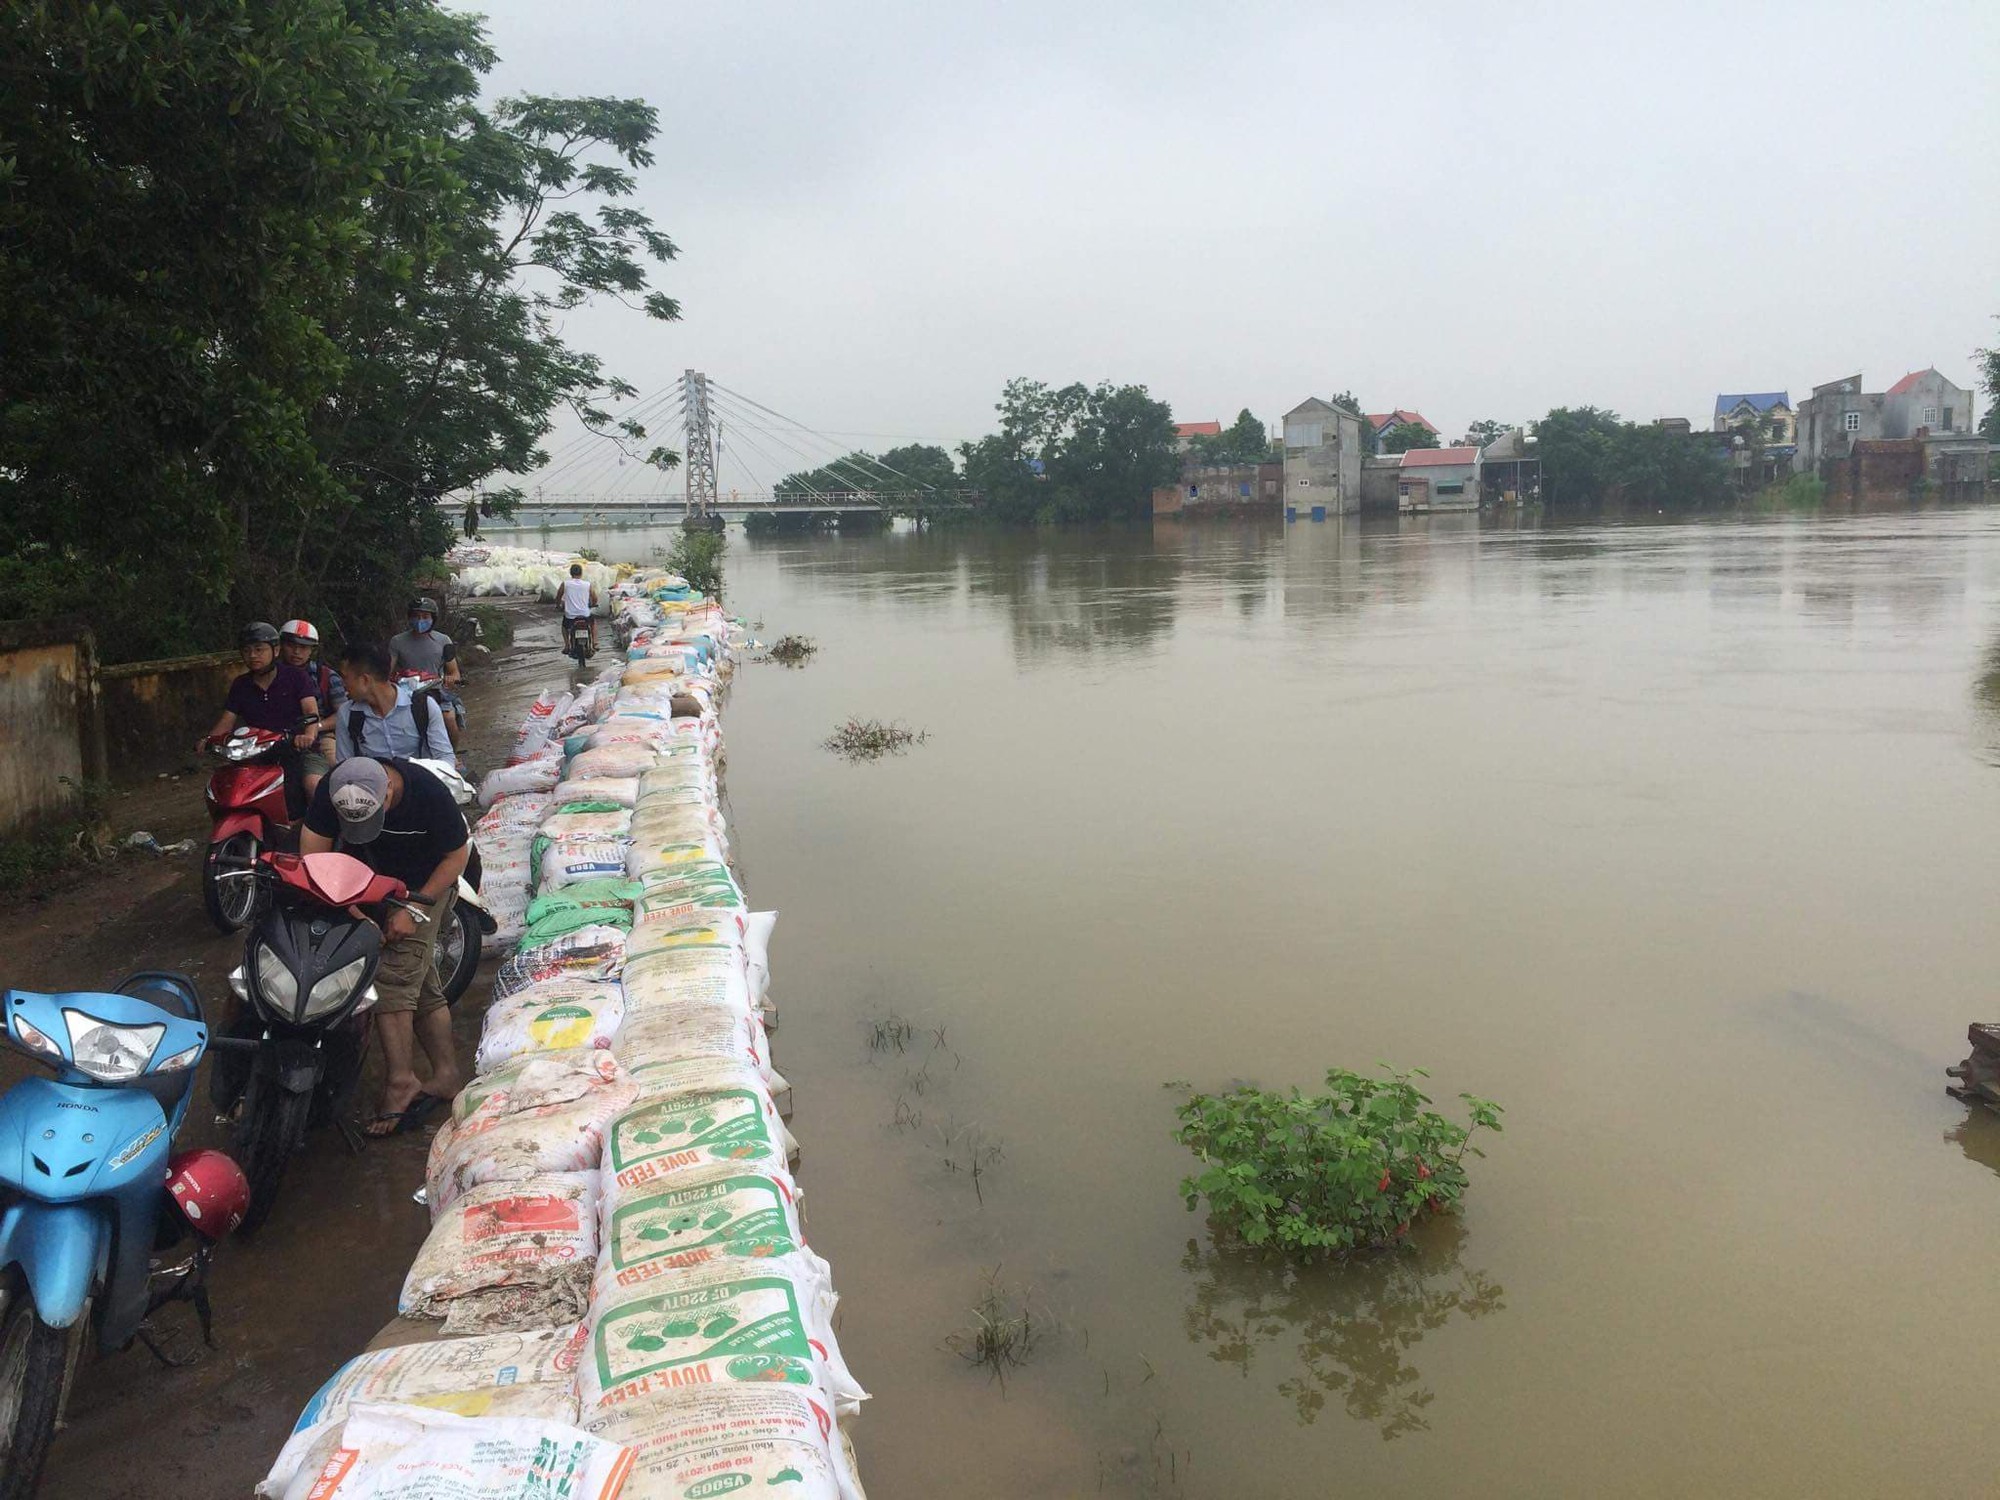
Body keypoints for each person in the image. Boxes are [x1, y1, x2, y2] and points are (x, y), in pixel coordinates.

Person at [302, 757, 467, 1135]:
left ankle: (401, 1081)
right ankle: (446, 1075)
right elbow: (314, 857)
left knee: (392, 977)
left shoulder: (426, 792)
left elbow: (457, 856)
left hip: (423, 886)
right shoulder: (333, 790)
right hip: (364, 885)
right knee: (421, 984)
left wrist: (415, 907)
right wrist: (353, 910)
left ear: (388, 792)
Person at [197, 622, 322, 769]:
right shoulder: (240, 684)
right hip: (255, 754)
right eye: (246, 650)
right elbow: (227, 721)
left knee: (312, 784)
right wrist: (209, 740)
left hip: (298, 751)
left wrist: (307, 736)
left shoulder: (297, 677)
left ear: (275, 650)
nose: (252, 655)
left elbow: (310, 712)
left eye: (259, 649)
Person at [334, 642, 452, 762]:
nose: (343, 684)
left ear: (364, 680)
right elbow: (345, 766)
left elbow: (444, 757)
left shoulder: (423, 707)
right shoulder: (347, 714)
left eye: (345, 677)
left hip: (422, 778)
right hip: (374, 780)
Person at [388, 597, 463, 749]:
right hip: (407, 693)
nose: (420, 620)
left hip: (436, 691)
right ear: (409, 618)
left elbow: (454, 672)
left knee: (448, 719)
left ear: (433, 619)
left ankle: (453, 756)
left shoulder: (443, 640)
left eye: (425, 617)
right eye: (416, 616)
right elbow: (386, 671)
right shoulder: (397, 642)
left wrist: (450, 680)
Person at [278, 619, 341, 798]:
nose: (297, 652)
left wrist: (315, 728)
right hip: (275, 737)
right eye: (291, 645)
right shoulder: (268, 676)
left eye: (304, 647)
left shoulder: (326, 675)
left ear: (312, 650)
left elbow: (342, 713)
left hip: (319, 739)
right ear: (281, 646)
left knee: (334, 777)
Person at [559, 562, 598, 653]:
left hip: (570, 616)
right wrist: (592, 604)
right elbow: (595, 597)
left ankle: (567, 645)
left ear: (571, 573)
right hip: (585, 615)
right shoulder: (587, 584)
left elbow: (558, 596)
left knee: (564, 627)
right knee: (593, 623)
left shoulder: (565, 584)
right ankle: (594, 643)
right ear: (581, 573)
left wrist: (558, 605)